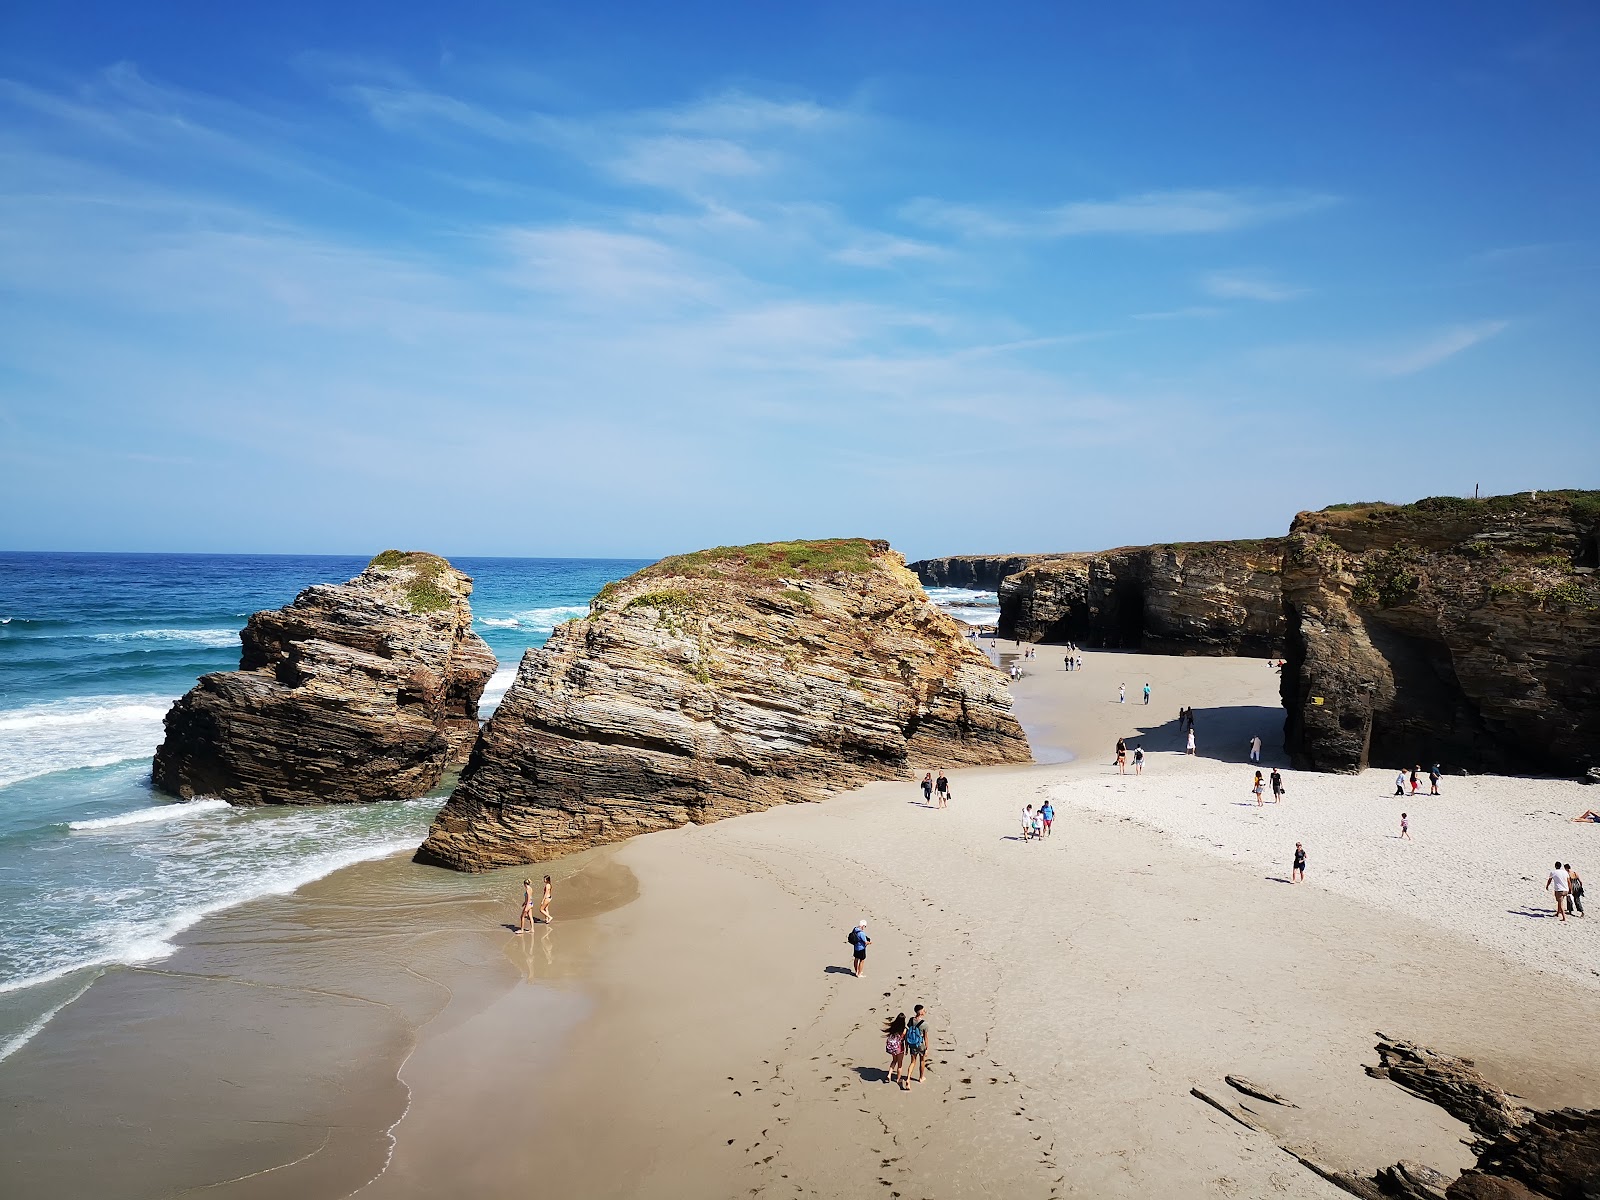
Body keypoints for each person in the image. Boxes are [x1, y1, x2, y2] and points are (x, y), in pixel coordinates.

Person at [902, 1004, 930, 1089]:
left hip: (912, 1044)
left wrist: (906, 1047)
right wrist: (927, 1048)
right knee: (922, 1061)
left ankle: (908, 1078)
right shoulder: (924, 1024)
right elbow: (925, 1037)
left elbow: (907, 1033)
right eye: (923, 1010)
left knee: (912, 1062)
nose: (924, 1011)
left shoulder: (911, 1020)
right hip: (920, 1045)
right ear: (920, 1012)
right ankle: (921, 1077)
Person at [883, 1013, 907, 1085]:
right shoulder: (904, 1030)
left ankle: (889, 1075)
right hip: (900, 1048)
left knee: (894, 1061)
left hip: (893, 1047)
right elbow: (905, 1040)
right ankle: (898, 1079)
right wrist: (907, 1049)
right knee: (900, 1064)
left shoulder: (893, 1027)